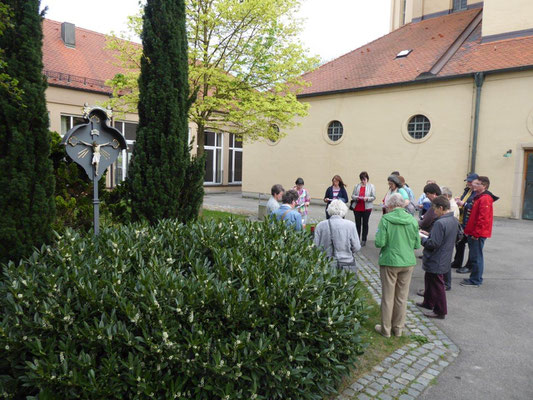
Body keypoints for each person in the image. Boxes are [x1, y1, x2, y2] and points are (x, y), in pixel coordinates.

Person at [374, 193, 421, 338]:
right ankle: (398, 329)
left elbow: (379, 242)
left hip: (390, 261)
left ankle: (386, 329)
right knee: (402, 297)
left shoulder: (386, 219)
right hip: (407, 262)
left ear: (391, 205)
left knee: (388, 296)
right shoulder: (412, 220)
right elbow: (417, 244)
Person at [416, 196, 459, 319]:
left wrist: (421, 239)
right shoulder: (453, 220)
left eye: (435, 210)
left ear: (441, 208)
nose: (434, 212)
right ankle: (428, 302)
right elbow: (448, 237)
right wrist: (430, 234)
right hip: (444, 256)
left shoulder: (440, 222)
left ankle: (440, 311)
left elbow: (433, 244)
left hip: (437, 258)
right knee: (429, 280)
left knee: (437, 285)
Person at [460, 176, 499, 287]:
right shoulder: (479, 197)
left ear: (484, 186)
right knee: (474, 256)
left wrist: (476, 234)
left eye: (477, 184)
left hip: (477, 234)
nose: (473, 185)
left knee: (477, 257)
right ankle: (474, 278)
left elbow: (483, 219)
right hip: (473, 232)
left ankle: (476, 280)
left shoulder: (485, 198)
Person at [314, 199, 361, 273]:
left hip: (326, 263)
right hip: (347, 262)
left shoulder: (320, 225)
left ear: (329, 210)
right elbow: (356, 247)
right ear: (344, 210)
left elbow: (316, 247)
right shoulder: (350, 225)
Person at [453, 173, 478, 272]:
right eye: (467, 181)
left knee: (472, 245)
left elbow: (474, 207)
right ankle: (457, 262)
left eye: (470, 182)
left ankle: (469, 266)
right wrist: (459, 200)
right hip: (462, 220)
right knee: (459, 242)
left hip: (469, 221)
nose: (468, 183)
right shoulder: (467, 190)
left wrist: (464, 203)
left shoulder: (477, 193)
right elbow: (464, 201)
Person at [440, 186, 460, 291]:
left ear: (446, 196)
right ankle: (445, 282)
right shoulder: (450, 204)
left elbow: (451, 221)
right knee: (446, 259)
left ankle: (447, 283)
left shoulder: (452, 206)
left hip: (449, 235)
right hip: (449, 234)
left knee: (446, 260)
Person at [351, 171, 376, 246]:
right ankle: (357, 239)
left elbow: (373, 197)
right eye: (361, 179)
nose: (363, 181)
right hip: (357, 207)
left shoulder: (371, 186)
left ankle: (364, 239)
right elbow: (352, 195)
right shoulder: (357, 186)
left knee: (365, 223)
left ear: (367, 179)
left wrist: (367, 198)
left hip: (367, 208)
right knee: (357, 224)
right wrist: (357, 197)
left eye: (364, 179)